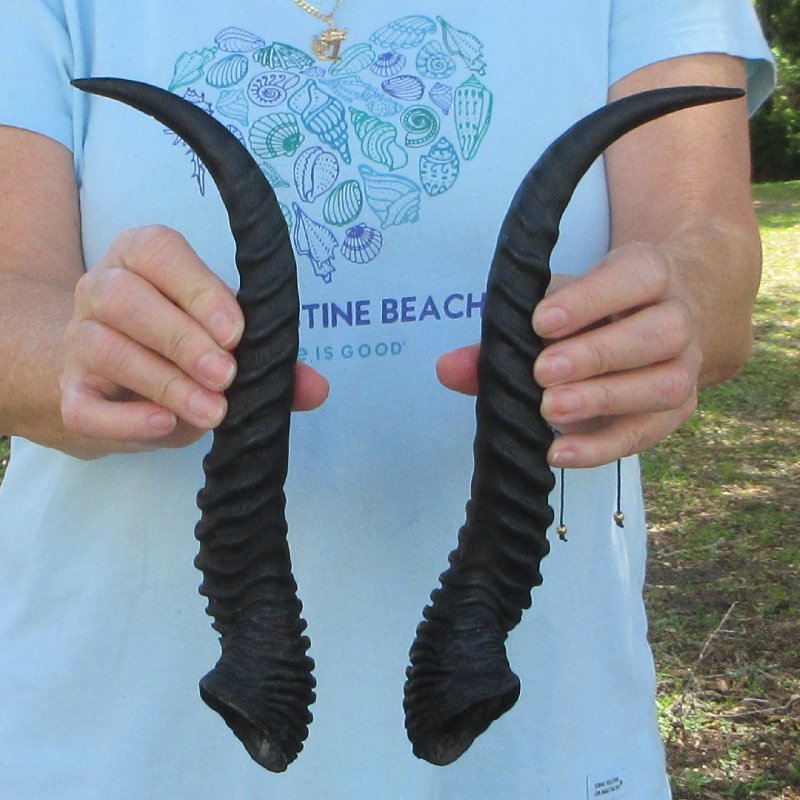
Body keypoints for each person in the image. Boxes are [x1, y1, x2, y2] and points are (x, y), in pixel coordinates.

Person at [0, 2, 774, 798]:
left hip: (542, 746)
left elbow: (711, 252)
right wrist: (81, 355)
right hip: (120, 740)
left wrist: (673, 308)